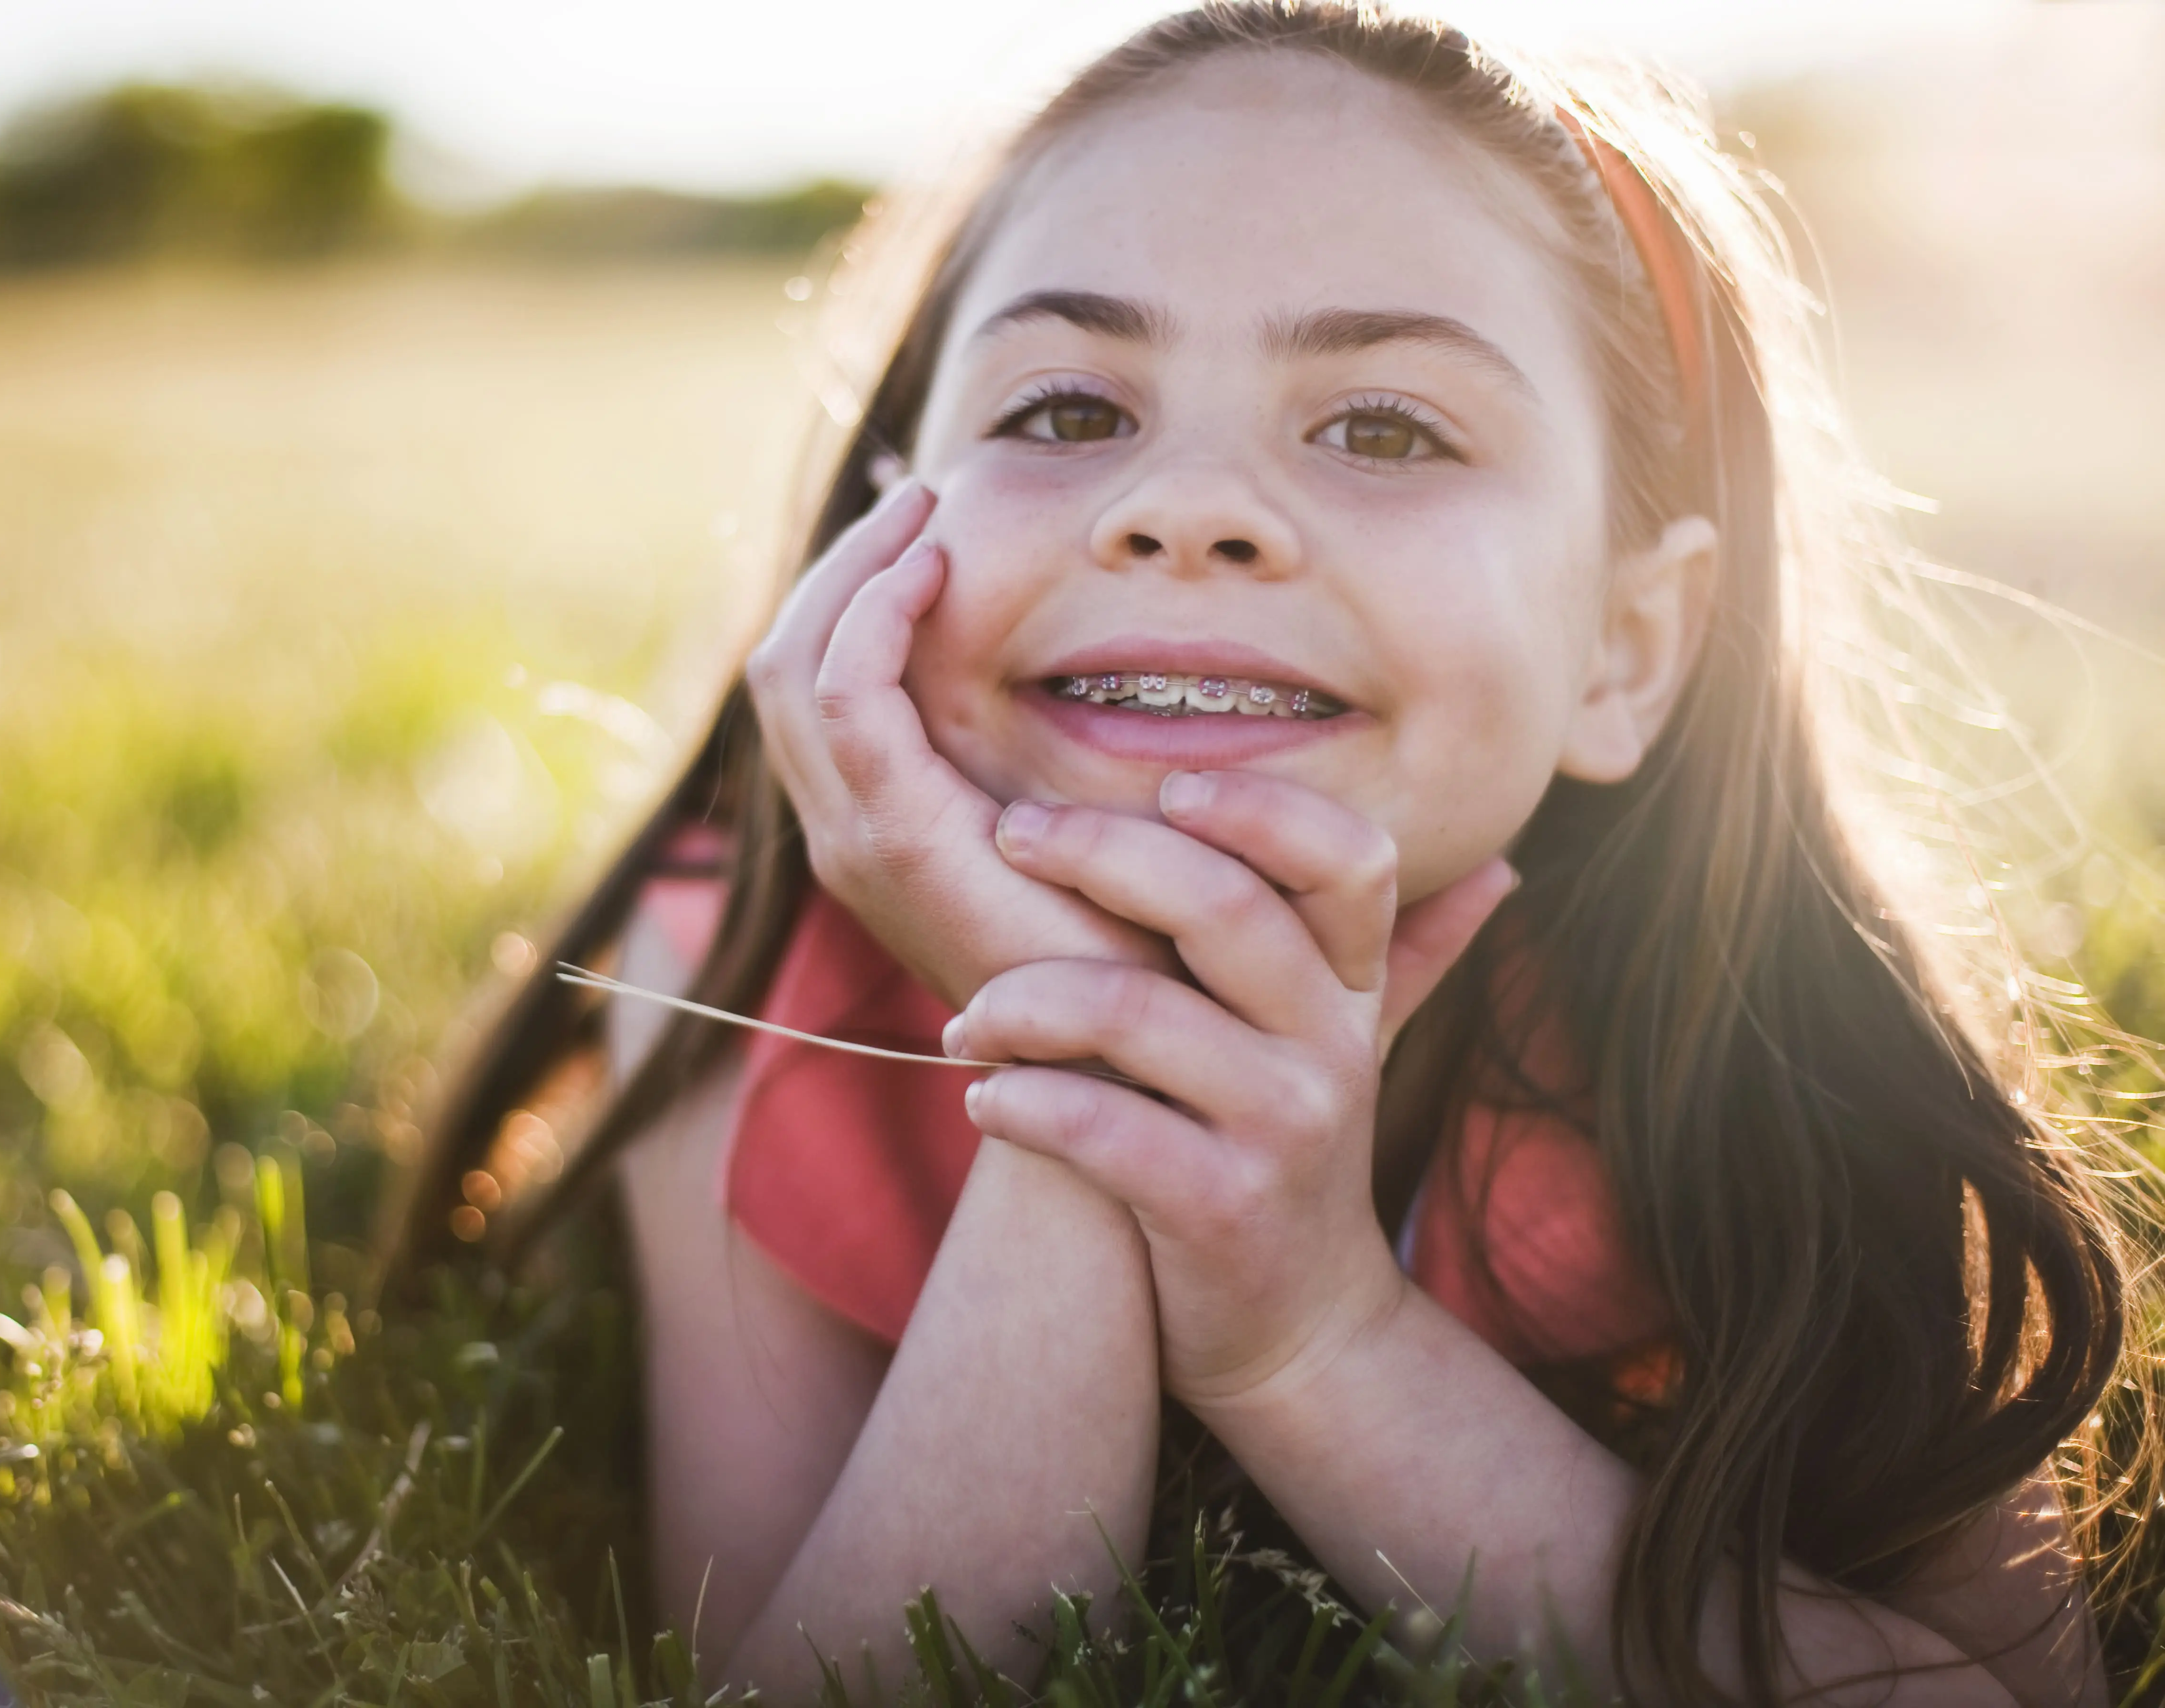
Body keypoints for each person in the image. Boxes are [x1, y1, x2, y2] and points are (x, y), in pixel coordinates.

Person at [384, 6, 2140, 1702]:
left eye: (1385, 426)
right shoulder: (731, 973)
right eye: (1069, 412)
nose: (1191, 505)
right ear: (879, 541)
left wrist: (1314, 1337)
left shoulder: (1778, 1033)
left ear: (1626, 649)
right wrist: (1082, 1037)